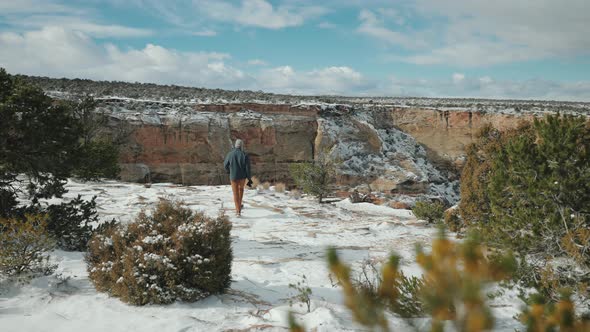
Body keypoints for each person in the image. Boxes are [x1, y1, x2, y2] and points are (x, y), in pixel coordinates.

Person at [224, 139, 252, 216]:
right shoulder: (244, 155)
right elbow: (247, 168)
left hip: (233, 177)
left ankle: (238, 210)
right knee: (241, 191)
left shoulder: (230, 154)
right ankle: (239, 207)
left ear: (235, 145)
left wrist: (229, 171)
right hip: (242, 177)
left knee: (235, 193)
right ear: (241, 146)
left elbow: (225, 165)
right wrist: (249, 178)